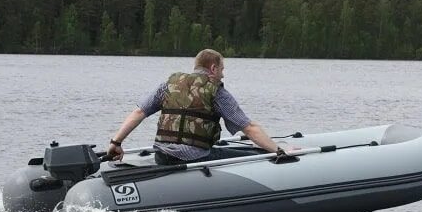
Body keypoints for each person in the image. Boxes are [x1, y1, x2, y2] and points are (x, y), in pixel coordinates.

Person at [105, 49, 286, 164]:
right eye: (222, 70)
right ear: (214, 68)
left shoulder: (168, 85)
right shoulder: (216, 92)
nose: (223, 75)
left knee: (240, 149)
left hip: (162, 156)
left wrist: (116, 142)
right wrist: (278, 151)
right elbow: (249, 128)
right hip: (194, 157)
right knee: (256, 158)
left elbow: (139, 112)